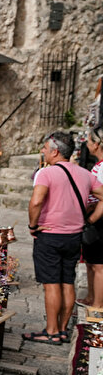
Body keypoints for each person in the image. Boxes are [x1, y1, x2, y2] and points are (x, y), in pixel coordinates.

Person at [26, 131, 103, 342]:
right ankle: (62, 328)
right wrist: (90, 220)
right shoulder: (85, 174)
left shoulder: (46, 173)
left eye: (44, 148)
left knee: (51, 284)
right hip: (74, 236)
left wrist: (33, 225)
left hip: (49, 234)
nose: (43, 151)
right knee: (67, 282)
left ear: (55, 151)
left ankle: (51, 332)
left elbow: (36, 201)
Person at [82, 127, 103, 306]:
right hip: (95, 218)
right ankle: (91, 297)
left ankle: (97, 304)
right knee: (91, 262)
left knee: (99, 265)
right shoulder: (98, 166)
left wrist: (91, 220)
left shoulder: (102, 168)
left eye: (89, 141)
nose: (87, 144)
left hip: (99, 221)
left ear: (96, 144)